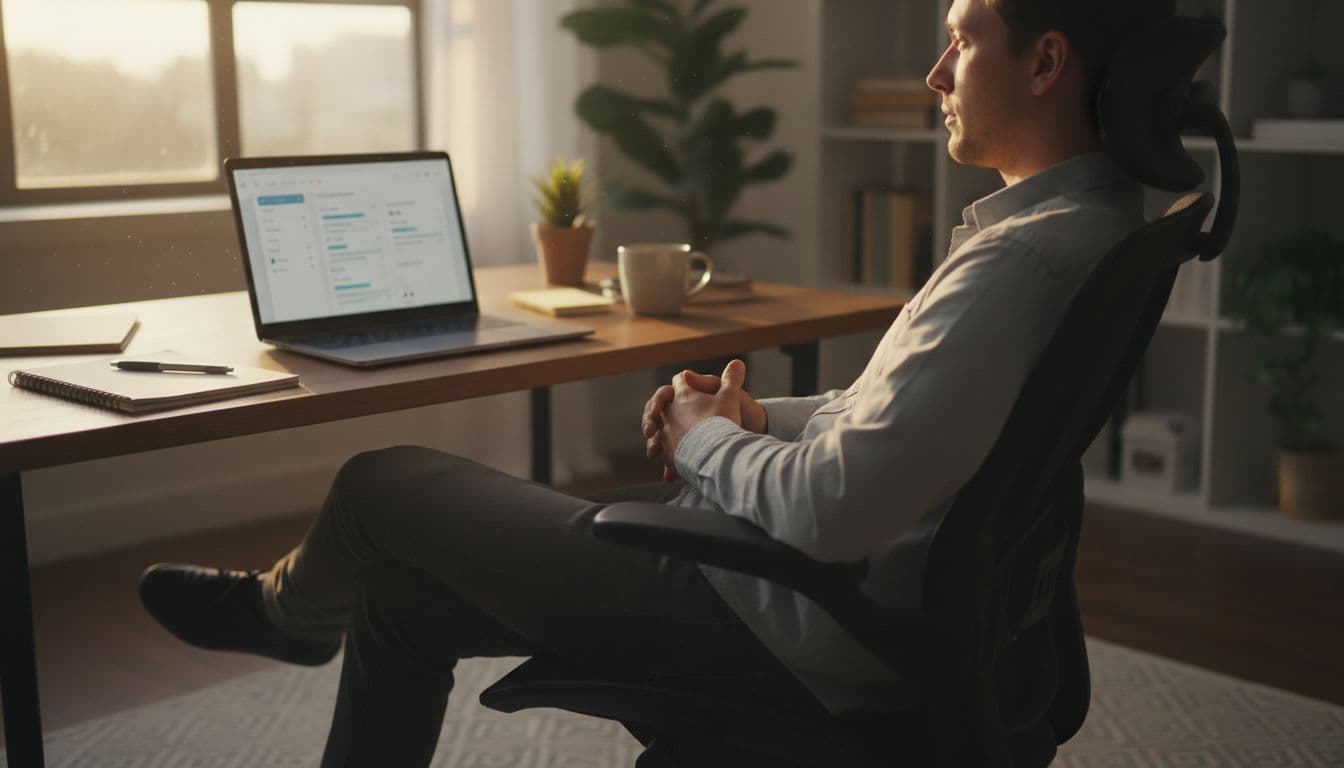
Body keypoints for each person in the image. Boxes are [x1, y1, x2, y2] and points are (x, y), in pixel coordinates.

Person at [139, 0, 1174, 764]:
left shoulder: (1016, 261)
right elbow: (913, 419)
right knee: (405, 597)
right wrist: (762, 414)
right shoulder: (1093, 231)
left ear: (1045, 62)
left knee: (376, 482)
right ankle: (310, 618)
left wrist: (704, 442)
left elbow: (835, 510)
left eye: (963, 37)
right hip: (884, 615)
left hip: (791, 619)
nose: (937, 73)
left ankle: (289, 619)